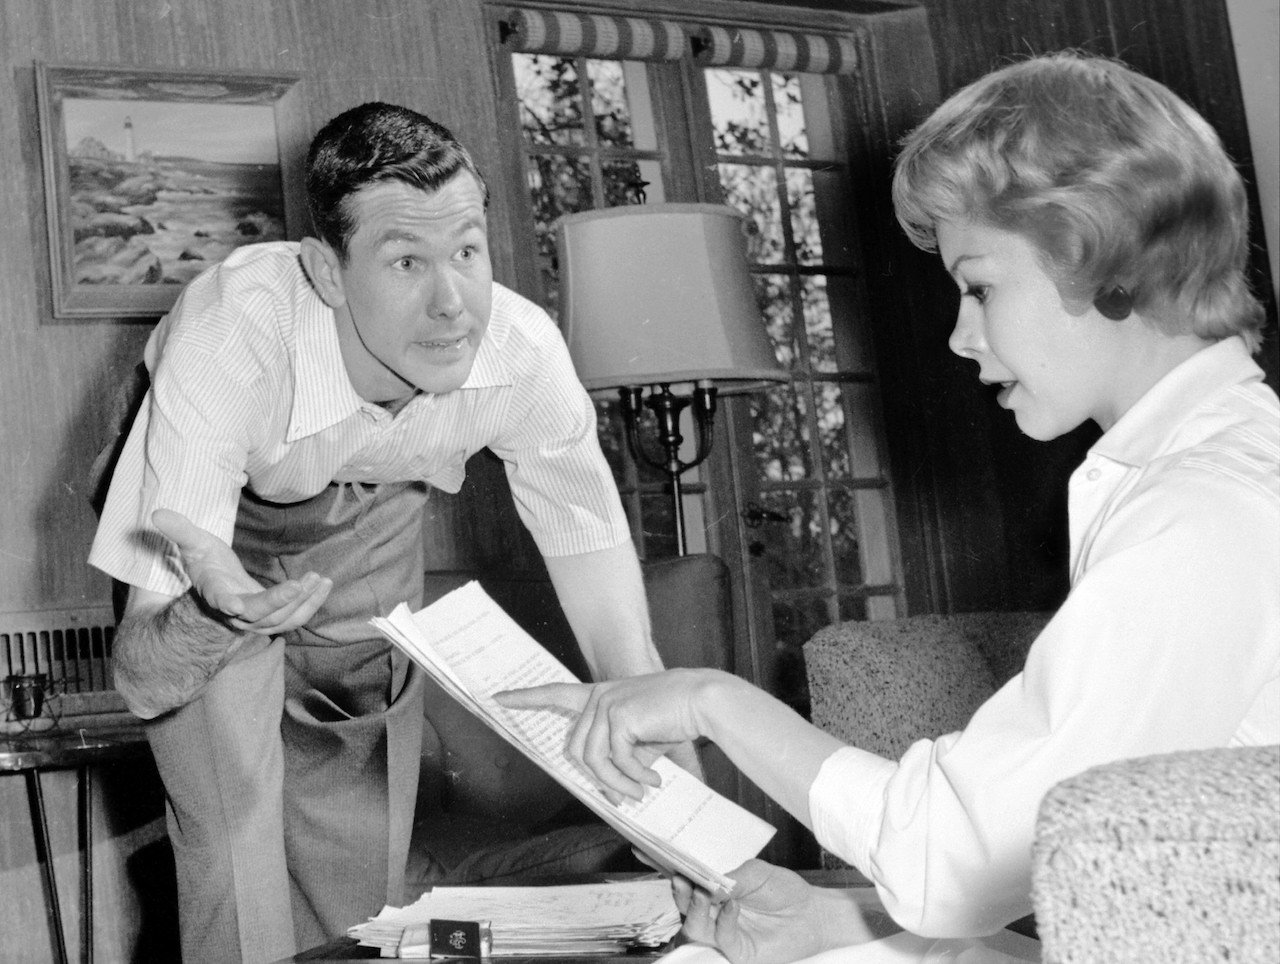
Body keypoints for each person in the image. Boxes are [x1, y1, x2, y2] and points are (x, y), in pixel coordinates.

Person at [497, 51, 1280, 962]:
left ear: (1099, 256)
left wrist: (709, 699)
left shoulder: (1199, 516)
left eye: (980, 285)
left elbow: (957, 854)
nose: (959, 333)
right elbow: (1120, 908)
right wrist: (845, 924)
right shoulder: (1214, 470)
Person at [89, 101, 692, 963]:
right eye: (406, 259)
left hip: (377, 501)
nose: (454, 304)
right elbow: (143, 679)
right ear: (325, 271)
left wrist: (658, 738)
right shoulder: (231, 337)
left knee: (357, 861)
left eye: (468, 253)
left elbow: (596, 573)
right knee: (236, 832)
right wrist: (214, 617)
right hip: (214, 525)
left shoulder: (521, 352)